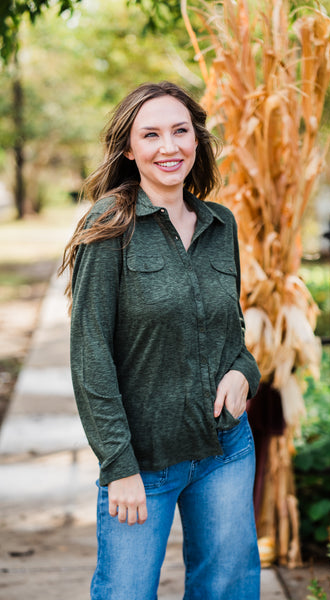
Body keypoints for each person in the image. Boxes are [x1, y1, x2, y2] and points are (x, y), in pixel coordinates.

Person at [60, 81, 261, 600]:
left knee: (228, 590)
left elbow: (229, 333)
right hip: (141, 460)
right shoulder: (109, 224)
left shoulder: (221, 224)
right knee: (125, 592)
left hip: (226, 449)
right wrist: (117, 465)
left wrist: (245, 372)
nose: (168, 147)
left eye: (180, 131)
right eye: (150, 135)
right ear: (130, 148)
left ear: (197, 140)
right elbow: (90, 355)